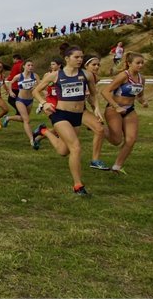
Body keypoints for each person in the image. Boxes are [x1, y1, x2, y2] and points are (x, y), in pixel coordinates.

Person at [31, 46, 94, 196]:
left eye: (81, 57)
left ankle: (44, 131)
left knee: (63, 151)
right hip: (60, 114)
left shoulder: (86, 74)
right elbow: (35, 91)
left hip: (77, 116)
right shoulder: (55, 75)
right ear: (67, 59)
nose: (80, 60)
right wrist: (44, 103)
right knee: (76, 148)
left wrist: (96, 108)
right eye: (76, 57)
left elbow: (94, 94)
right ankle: (78, 185)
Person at [100, 53, 148, 173]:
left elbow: (140, 95)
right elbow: (105, 91)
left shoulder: (142, 78)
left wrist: (143, 101)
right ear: (129, 63)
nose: (141, 65)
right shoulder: (123, 76)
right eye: (138, 63)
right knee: (116, 141)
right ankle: (99, 128)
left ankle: (117, 167)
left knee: (131, 140)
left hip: (130, 110)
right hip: (114, 109)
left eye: (142, 63)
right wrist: (116, 107)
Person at [1, 60, 39, 148]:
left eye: (32, 65)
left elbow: (40, 85)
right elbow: (10, 82)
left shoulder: (35, 75)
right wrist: (10, 91)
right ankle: (32, 140)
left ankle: (8, 118)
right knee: (27, 120)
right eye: (28, 65)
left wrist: (37, 87)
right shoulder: (19, 76)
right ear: (24, 66)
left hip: (30, 100)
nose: (31, 67)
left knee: (23, 119)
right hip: (20, 100)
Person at [81, 55, 109, 170]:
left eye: (98, 64)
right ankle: (43, 132)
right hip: (66, 109)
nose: (97, 67)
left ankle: (95, 160)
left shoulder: (94, 78)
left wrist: (96, 111)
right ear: (85, 66)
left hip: (81, 110)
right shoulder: (78, 75)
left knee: (99, 129)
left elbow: (91, 96)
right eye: (94, 65)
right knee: (63, 148)